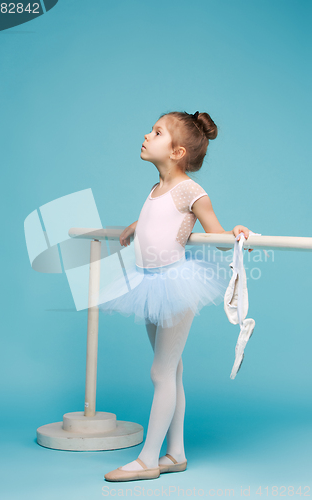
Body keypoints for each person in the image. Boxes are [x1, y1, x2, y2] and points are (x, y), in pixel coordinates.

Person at [99, 111, 253, 482]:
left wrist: (234, 232)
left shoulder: (189, 189)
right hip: (147, 283)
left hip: (174, 284)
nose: (146, 136)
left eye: (156, 133)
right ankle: (176, 453)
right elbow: (160, 218)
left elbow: (214, 232)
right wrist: (139, 224)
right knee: (173, 370)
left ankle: (148, 458)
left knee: (161, 371)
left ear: (177, 151)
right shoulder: (155, 189)